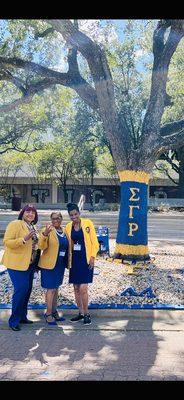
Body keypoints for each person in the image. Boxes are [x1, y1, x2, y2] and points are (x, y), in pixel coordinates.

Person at [1, 204, 39, 331]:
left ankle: (22, 316)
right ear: (22, 213)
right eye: (28, 211)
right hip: (16, 264)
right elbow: (6, 242)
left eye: (33, 212)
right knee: (21, 290)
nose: (30, 214)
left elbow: (34, 246)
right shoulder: (16, 224)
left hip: (30, 264)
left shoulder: (33, 226)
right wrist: (23, 239)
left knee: (27, 291)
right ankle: (14, 321)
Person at [65, 203, 99, 325]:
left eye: (75, 214)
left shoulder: (88, 223)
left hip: (86, 259)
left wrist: (92, 257)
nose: (73, 216)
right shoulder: (68, 226)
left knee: (83, 288)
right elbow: (68, 243)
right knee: (75, 288)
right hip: (74, 261)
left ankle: (86, 313)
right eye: (71, 215)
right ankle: (80, 313)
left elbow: (95, 242)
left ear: (79, 213)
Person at [38, 212, 69, 325]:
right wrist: (45, 234)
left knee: (56, 289)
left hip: (60, 265)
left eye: (58, 218)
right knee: (50, 289)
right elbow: (41, 246)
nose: (56, 220)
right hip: (49, 265)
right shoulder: (47, 230)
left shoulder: (65, 230)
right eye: (53, 218)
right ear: (51, 220)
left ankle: (54, 311)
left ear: (61, 218)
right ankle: (48, 313)